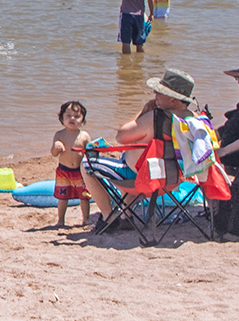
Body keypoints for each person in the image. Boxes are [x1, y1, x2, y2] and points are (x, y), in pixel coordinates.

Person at [83, 68, 197, 227]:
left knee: (86, 164)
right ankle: (126, 215)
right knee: (129, 158)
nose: (155, 94)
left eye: (160, 92)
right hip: (173, 178)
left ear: (173, 99)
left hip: (143, 179)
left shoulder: (155, 118)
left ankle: (108, 217)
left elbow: (121, 136)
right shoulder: (193, 120)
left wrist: (143, 112)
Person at [49, 102, 92, 228]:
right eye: (68, 115)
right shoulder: (59, 135)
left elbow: (90, 152)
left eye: (77, 116)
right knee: (63, 197)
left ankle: (86, 219)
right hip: (64, 171)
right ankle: (61, 220)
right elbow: (53, 153)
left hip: (80, 171)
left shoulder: (84, 136)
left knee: (84, 196)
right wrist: (56, 148)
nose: (72, 118)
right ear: (61, 118)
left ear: (83, 119)